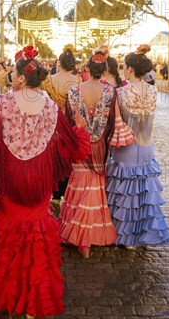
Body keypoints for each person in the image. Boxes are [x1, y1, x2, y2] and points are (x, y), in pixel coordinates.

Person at [0, 45, 90, 319]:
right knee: (38, 235)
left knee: (11, 235)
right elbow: (67, 143)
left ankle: (12, 295)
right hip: (40, 178)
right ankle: (34, 300)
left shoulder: (3, 103)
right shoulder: (51, 106)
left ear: (20, 77)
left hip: (10, 177)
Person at [59, 48, 133, 258]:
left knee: (78, 183)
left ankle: (77, 236)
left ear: (88, 69)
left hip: (80, 143)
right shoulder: (111, 92)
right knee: (95, 185)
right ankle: (91, 236)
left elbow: (67, 120)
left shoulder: (74, 90)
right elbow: (114, 121)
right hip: (99, 145)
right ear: (105, 69)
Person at [106, 51, 169, 248]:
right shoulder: (153, 91)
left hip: (127, 145)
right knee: (144, 189)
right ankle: (142, 233)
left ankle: (125, 236)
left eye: (124, 67)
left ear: (130, 69)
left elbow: (115, 122)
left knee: (126, 191)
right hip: (147, 144)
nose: (122, 71)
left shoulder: (120, 93)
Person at [40, 46, 81, 200]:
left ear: (59, 63)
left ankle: (54, 194)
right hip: (70, 127)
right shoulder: (77, 81)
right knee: (67, 158)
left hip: (52, 125)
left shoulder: (49, 80)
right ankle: (66, 191)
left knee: (53, 158)